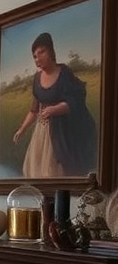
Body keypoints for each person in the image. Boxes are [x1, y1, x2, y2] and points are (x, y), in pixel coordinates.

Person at [12, 31, 97, 178]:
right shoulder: (37, 79)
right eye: (34, 56)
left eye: (41, 52)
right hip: (41, 132)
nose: (37, 58)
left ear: (50, 51)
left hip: (62, 131)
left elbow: (76, 100)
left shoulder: (64, 73)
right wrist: (22, 129)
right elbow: (34, 110)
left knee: (55, 170)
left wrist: (56, 109)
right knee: (37, 169)